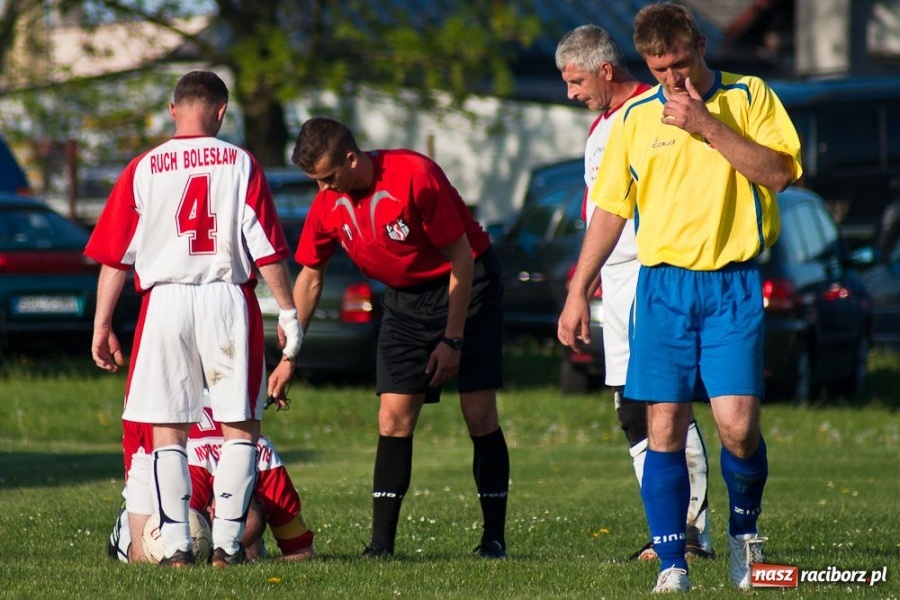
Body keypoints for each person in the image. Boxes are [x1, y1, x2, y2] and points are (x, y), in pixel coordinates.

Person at [557, 3, 802, 593]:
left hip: (732, 284)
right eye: (659, 68)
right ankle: (673, 564)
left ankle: (746, 540)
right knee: (662, 424)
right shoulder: (637, 117)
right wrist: (575, 289)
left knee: (737, 427)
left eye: (680, 62)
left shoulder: (751, 96)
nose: (672, 78)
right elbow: (611, 208)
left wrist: (707, 126)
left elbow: (780, 174)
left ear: (699, 43)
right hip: (662, 287)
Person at [86, 71, 302, 568]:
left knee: (168, 429)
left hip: (164, 301)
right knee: (239, 427)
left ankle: (177, 547)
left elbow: (115, 255)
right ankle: (227, 547)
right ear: (222, 111)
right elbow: (266, 248)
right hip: (225, 297)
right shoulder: (240, 163)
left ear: (172, 110)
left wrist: (101, 325)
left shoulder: (144, 166)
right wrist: (288, 312)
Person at [289, 117, 509, 558]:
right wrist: (290, 354)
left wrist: (453, 340)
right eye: (316, 181)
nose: (324, 190)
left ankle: (493, 540)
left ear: (352, 159)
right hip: (405, 301)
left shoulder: (414, 177)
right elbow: (311, 277)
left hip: (467, 284)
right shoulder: (328, 203)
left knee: (479, 414)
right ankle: (381, 547)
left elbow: (461, 258)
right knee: (392, 417)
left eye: (329, 178)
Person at [555, 24, 715, 563]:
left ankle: (692, 534)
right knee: (631, 408)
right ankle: (665, 529)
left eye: (576, 80)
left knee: (665, 403)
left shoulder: (655, 108)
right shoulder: (602, 125)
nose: (570, 93)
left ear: (604, 70)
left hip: (656, 273)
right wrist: (585, 282)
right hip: (617, 281)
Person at [109, 406, 315, 564]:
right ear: (212, 507)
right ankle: (124, 523)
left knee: (231, 555)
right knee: (149, 554)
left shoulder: (271, 472)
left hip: (209, 424)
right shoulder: (189, 477)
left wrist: (254, 563)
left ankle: (241, 547)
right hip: (154, 429)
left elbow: (303, 551)